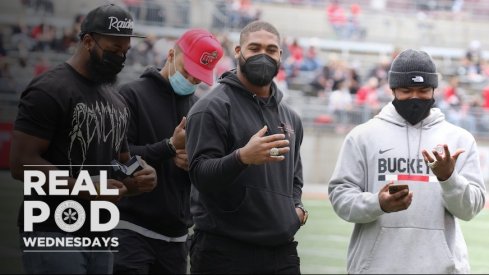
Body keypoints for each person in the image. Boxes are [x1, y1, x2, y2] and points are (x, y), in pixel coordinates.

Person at [9, 4, 157, 274]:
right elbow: (21, 164)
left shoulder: (117, 101)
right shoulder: (50, 88)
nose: (120, 57)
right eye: (114, 49)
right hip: (52, 227)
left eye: (125, 51)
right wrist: (86, 188)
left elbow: (121, 164)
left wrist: (141, 176)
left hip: (101, 229)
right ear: (88, 41)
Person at [328, 49, 486, 274]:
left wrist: (448, 178)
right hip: (377, 268)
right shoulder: (363, 136)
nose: (415, 97)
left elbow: (470, 209)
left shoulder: (459, 139)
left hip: (442, 268)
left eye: (423, 90)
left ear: (434, 90)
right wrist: (377, 204)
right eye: (406, 90)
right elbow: (340, 196)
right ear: (392, 89)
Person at [185, 20, 307, 274]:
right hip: (225, 252)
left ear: (280, 56)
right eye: (255, 48)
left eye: (271, 50)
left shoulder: (291, 118)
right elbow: (199, 175)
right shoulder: (211, 108)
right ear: (238, 52)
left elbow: (294, 178)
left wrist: (296, 211)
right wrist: (242, 157)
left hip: (282, 252)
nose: (263, 55)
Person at [113, 29, 223, 274]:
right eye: (188, 72)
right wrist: (169, 147)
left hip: (176, 239)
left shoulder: (198, 108)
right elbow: (116, 161)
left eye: (198, 78)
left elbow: (201, 180)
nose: (192, 81)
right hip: (130, 230)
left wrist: (191, 166)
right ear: (171, 55)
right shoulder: (131, 95)